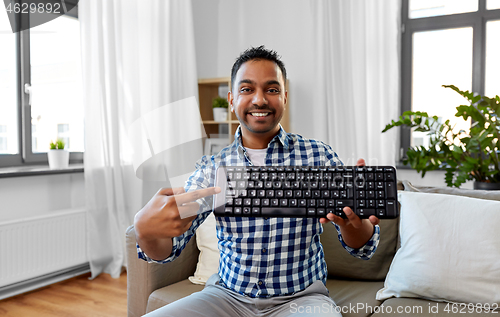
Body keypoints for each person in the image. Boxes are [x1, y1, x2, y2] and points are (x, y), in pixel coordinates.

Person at [134, 46, 380, 317]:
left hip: (302, 299)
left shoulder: (319, 156)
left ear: (285, 97)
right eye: (247, 89)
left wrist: (356, 225)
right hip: (225, 297)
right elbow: (168, 251)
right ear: (231, 99)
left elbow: (363, 248)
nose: (260, 100)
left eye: (272, 90)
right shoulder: (212, 168)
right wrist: (145, 231)